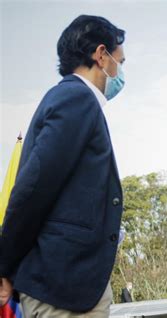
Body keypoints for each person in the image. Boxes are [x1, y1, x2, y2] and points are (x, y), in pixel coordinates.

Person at [0, 15, 126, 317]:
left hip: (69, 285)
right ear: (100, 55)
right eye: (119, 61)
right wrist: (3, 264)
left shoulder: (74, 99)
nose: (120, 71)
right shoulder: (76, 98)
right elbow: (34, 188)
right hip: (63, 287)